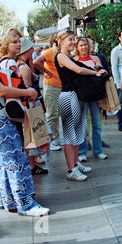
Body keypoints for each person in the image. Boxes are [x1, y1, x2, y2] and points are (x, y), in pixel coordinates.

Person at [0, 27, 49, 216]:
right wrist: (28, 92)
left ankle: (9, 200)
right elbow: (1, 90)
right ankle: (26, 204)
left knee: (4, 162)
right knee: (17, 159)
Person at [53, 30, 106, 181]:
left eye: (72, 39)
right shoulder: (61, 56)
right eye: (70, 40)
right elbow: (78, 69)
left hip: (74, 97)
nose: (72, 42)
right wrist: (94, 73)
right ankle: (71, 169)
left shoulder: (67, 56)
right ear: (61, 41)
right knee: (71, 137)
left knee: (78, 134)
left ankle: (75, 164)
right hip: (68, 96)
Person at [17, 38, 52, 174]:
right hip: (31, 104)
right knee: (34, 136)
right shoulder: (24, 67)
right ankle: (31, 166)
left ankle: (31, 165)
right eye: (31, 48)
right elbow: (28, 89)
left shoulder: (20, 64)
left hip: (29, 104)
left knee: (32, 136)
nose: (33, 50)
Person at [73, 36, 107, 161]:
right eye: (81, 45)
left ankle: (98, 150)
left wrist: (101, 70)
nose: (84, 47)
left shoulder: (95, 58)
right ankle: (82, 153)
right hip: (81, 96)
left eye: (85, 45)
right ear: (77, 47)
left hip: (94, 94)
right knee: (82, 125)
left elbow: (101, 70)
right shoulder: (74, 60)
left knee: (96, 124)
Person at [33, 32, 63, 151]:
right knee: (52, 114)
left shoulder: (63, 53)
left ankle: (56, 136)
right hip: (52, 86)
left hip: (60, 86)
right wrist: (47, 72)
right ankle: (50, 140)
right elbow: (36, 62)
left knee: (57, 114)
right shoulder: (50, 51)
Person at [111, 29, 122, 132]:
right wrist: (118, 83)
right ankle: (121, 124)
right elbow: (114, 68)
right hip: (121, 81)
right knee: (121, 103)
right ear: (119, 38)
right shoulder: (116, 51)